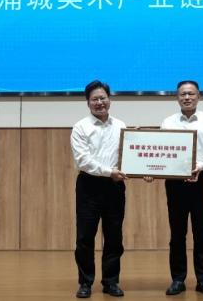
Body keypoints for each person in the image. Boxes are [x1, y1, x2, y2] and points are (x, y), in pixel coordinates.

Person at [157, 80, 203, 296]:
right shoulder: (168, 122)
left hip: (200, 181)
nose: (187, 97)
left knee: (201, 233)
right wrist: (150, 169)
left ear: (198, 96)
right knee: (177, 234)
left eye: (191, 94)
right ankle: (178, 280)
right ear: (177, 97)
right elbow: (161, 152)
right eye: (183, 94)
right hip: (175, 184)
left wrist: (199, 166)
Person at [71, 80, 127, 298]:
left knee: (114, 236)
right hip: (89, 186)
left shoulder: (121, 125)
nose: (99, 102)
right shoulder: (80, 127)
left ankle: (110, 282)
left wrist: (144, 169)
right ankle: (85, 282)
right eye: (94, 99)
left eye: (103, 98)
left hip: (115, 187)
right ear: (88, 103)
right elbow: (83, 161)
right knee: (85, 237)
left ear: (109, 100)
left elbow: (130, 155)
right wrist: (108, 171)